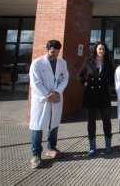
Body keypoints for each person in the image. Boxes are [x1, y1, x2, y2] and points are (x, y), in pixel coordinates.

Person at [29, 40, 69, 169]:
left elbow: (65, 78)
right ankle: (36, 155)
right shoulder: (37, 63)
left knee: (54, 124)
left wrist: (57, 92)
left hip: (56, 98)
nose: (55, 54)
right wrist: (48, 95)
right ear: (47, 48)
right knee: (38, 126)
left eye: (57, 52)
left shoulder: (62, 63)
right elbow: (35, 83)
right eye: (53, 51)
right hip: (43, 100)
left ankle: (51, 148)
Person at [77, 41, 114, 156]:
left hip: (103, 95)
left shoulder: (108, 62)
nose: (101, 51)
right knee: (91, 122)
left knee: (106, 121)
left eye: (103, 49)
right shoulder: (88, 61)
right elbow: (79, 75)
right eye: (99, 49)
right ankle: (92, 146)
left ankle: (108, 144)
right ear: (95, 50)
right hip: (90, 95)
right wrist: (84, 84)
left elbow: (113, 78)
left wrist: (111, 88)